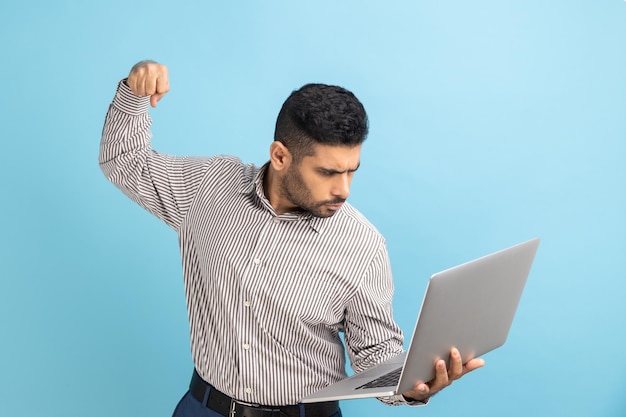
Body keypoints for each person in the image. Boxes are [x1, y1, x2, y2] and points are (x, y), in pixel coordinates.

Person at [99, 60, 484, 417]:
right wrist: (134, 95)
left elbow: (375, 354)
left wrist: (415, 386)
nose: (344, 189)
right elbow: (124, 159)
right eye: (329, 172)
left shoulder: (362, 245)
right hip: (204, 408)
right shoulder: (208, 188)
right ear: (280, 156)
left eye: (352, 171)